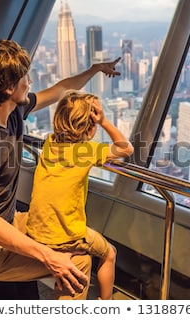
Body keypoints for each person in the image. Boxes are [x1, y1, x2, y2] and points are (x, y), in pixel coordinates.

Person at [0, 39, 121, 300]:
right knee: (78, 264)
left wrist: (94, 69)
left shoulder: (14, 109)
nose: (30, 81)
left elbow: (62, 88)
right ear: (7, 88)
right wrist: (49, 256)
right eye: (25, 76)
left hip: (9, 220)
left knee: (69, 241)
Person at [26, 90, 134, 300]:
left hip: (36, 230)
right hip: (65, 236)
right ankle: (106, 303)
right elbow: (126, 149)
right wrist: (103, 121)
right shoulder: (87, 151)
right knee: (109, 253)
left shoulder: (50, 142)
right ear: (90, 126)